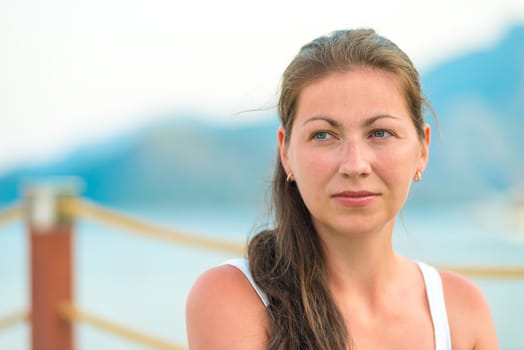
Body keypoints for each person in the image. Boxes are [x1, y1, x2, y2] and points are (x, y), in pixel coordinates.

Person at [185, 28, 498, 350]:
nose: (355, 164)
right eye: (323, 135)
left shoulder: (460, 310)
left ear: (422, 149)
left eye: (380, 133)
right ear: (286, 152)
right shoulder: (233, 296)